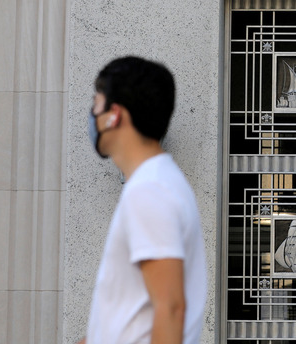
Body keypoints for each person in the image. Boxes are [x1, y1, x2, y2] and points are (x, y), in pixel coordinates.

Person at [78, 56, 206, 344]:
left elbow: (170, 309)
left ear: (115, 114)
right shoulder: (154, 184)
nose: (91, 114)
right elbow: (128, 316)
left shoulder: (151, 189)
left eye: (96, 103)